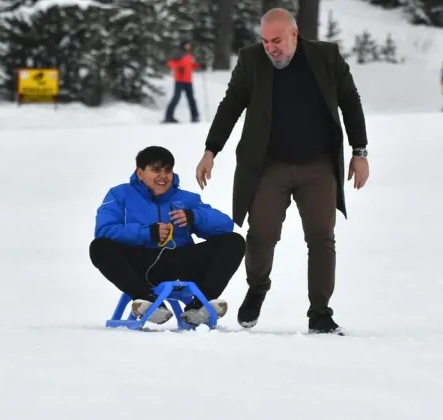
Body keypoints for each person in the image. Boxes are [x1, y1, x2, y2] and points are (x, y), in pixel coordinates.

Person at [195, 7, 370, 335]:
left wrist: (359, 151)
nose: (271, 47)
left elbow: (350, 101)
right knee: (261, 236)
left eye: (277, 40)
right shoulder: (251, 61)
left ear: (294, 34)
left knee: (321, 238)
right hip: (268, 165)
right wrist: (210, 150)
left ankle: (320, 312)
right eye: (265, 41)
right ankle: (258, 287)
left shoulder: (326, 57)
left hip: (318, 165)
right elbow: (231, 105)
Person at [89, 146, 245, 327]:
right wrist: (147, 233)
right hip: (144, 264)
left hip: (182, 260)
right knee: (99, 247)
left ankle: (200, 305)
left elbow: (226, 225)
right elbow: (104, 230)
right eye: (155, 170)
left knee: (234, 241)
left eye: (168, 170)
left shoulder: (186, 199)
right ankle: (148, 301)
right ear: (140, 173)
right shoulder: (120, 195)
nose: (163, 176)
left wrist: (194, 216)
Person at [163, 40, 201, 123]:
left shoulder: (188, 54)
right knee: (176, 98)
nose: (189, 46)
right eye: (187, 45)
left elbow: (190, 65)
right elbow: (170, 63)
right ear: (183, 45)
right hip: (179, 80)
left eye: (189, 45)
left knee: (191, 99)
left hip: (188, 80)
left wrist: (199, 65)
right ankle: (168, 117)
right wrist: (179, 66)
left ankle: (195, 117)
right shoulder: (178, 52)